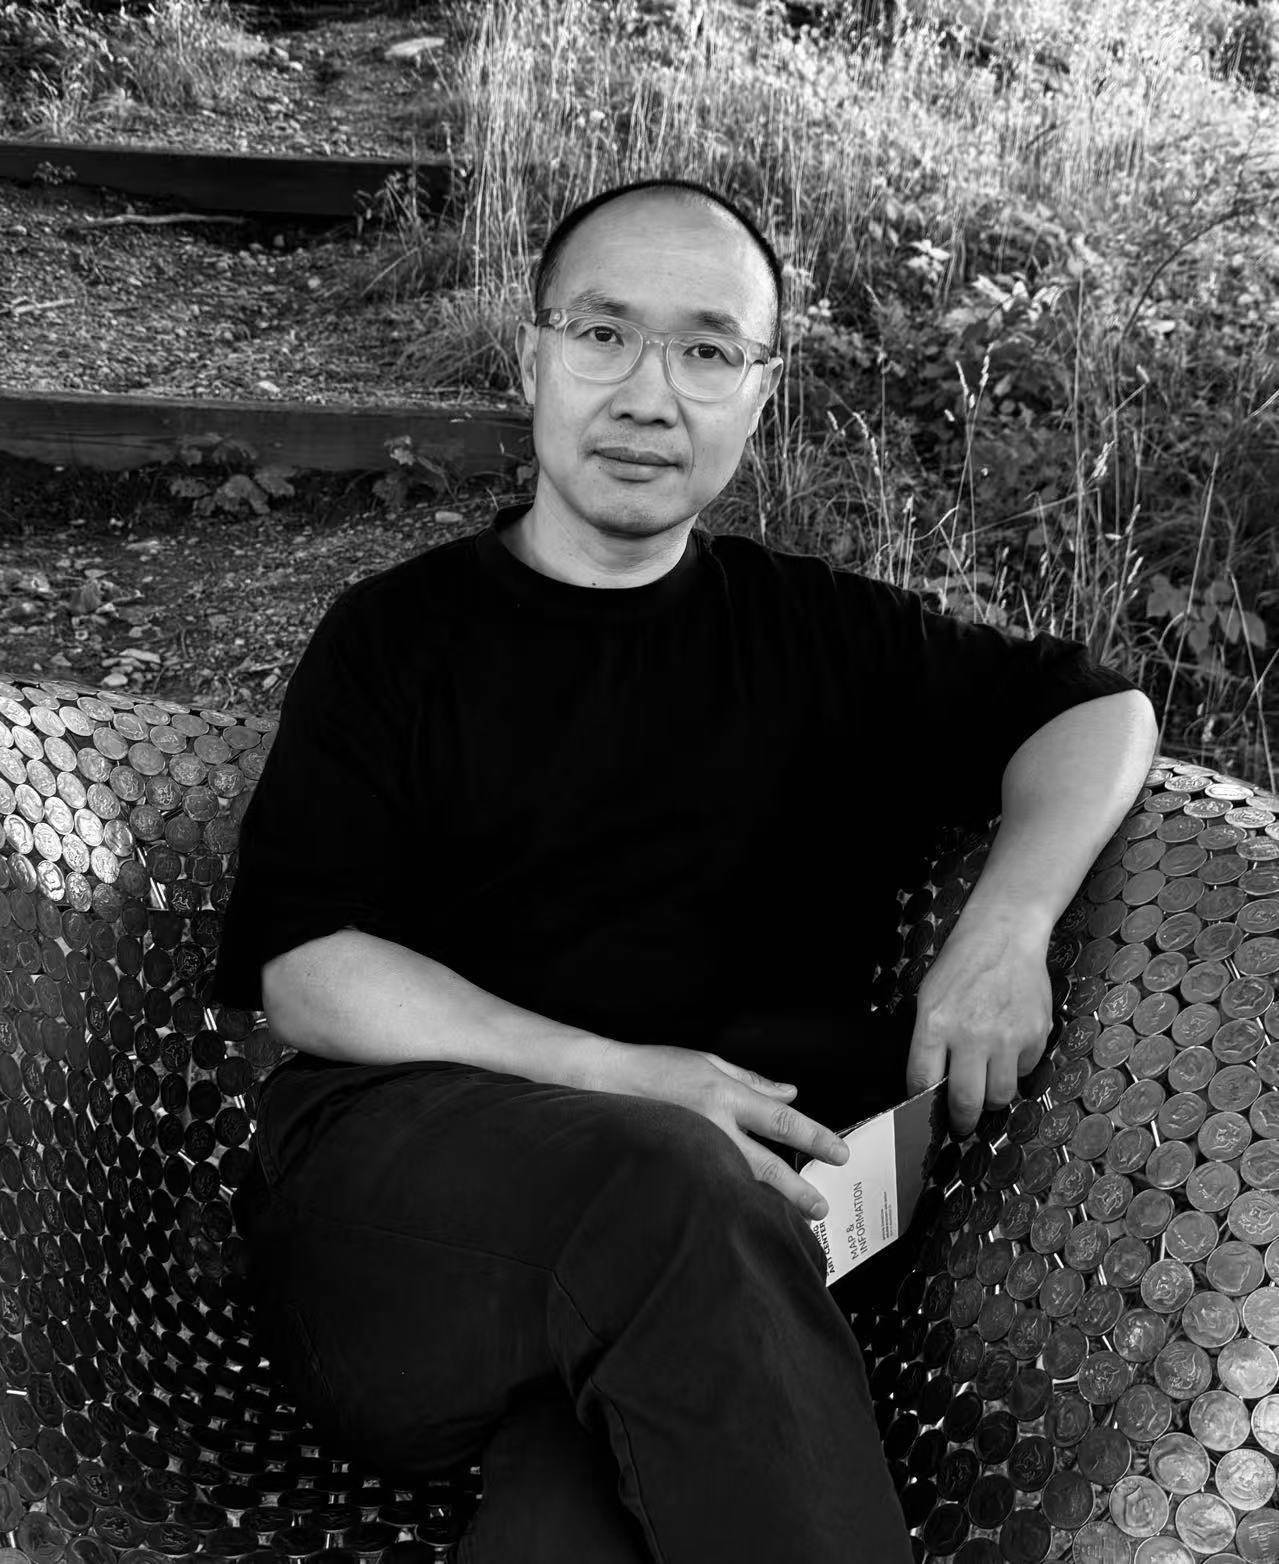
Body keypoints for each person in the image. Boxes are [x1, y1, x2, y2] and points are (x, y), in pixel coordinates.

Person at [211, 177, 1148, 1563]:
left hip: (739, 1271)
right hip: (403, 1237)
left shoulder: (824, 640)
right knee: (669, 1183)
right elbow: (307, 969)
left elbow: (1098, 713)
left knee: (581, 1517)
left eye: (708, 351)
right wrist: (633, 1079)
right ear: (532, 357)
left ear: (759, 394)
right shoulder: (396, 642)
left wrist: (1007, 928)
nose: (650, 397)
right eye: (604, 334)